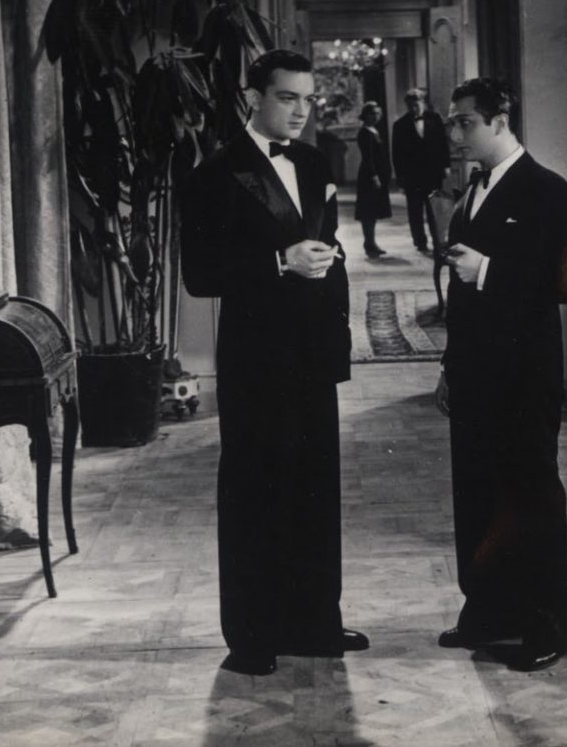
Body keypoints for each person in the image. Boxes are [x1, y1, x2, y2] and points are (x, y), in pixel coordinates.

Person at [179, 49, 369, 677]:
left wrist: (331, 298)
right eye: (288, 97)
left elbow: (328, 246)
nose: (300, 111)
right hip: (255, 357)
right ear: (254, 97)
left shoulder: (314, 163)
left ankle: (314, 623)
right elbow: (200, 275)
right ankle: (252, 636)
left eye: (308, 99)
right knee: (254, 490)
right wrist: (279, 262)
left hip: (312, 350)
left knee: (315, 488)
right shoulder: (214, 174)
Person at [434, 77, 567, 672]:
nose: (455, 133)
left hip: (526, 376)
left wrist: (488, 270)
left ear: (500, 120)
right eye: (452, 122)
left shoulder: (550, 191)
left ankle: (547, 627)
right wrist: (449, 369)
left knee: (530, 495)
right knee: (475, 493)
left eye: (465, 122)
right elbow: (461, 303)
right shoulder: (471, 193)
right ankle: (488, 612)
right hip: (474, 375)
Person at [391, 88, 451, 253]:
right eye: (410, 106)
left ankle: (438, 241)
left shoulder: (435, 119)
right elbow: (396, 154)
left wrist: (446, 166)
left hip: (433, 173)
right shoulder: (400, 125)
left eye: (416, 105)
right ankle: (420, 242)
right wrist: (400, 177)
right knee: (415, 210)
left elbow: (443, 144)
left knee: (434, 209)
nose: (414, 109)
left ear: (423, 103)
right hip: (412, 176)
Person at [354, 101, 392, 258]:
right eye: (372, 114)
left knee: (373, 211)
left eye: (377, 113)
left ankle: (371, 242)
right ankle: (368, 243)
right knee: (368, 212)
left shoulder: (374, 130)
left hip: (377, 175)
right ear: (365, 115)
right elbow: (368, 157)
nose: (375, 116)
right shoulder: (364, 132)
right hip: (369, 177)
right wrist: (374, 176)